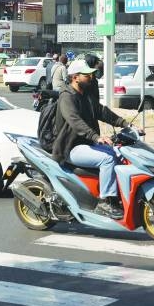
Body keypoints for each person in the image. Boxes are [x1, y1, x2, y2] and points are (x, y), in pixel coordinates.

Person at [52, 59, 132, 218]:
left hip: (87, 143)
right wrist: (96, 137)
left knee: (120, 153)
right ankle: (104, 202)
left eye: (91, 74)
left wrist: (125, 124)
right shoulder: (67, 97)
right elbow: (75, 121)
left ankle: (117, 197)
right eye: (87, 75)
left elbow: (102, 112)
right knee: (107, 159)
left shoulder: (86, 95)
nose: (91, 77)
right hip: (71, 148)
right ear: (75, 77)